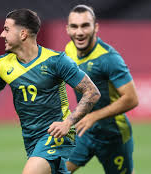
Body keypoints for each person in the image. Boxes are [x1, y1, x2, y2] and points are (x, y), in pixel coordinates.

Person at [0, 9, 100, 174]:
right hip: (31, 139)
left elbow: (92, 92)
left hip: (57, 135)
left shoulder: (56, 61)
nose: (2, 34)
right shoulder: (3, 65)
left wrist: (68, 123)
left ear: (23, 34)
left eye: (7, 29)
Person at [64, 5, 139, 174]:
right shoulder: (69, 50)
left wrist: (94, 116)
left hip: (113, 135)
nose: (79, 32)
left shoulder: (109, 58)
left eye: (85, 25)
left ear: (95, 27)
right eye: (74, 26)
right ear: (67, 29)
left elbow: (132, 98)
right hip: (85, 131)